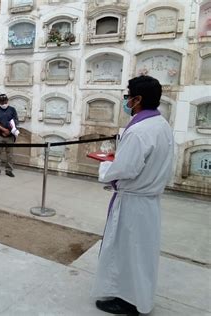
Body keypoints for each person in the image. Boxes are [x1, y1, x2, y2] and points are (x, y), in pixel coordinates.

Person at [92, 76, 174, 315]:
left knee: (129, 252)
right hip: (147, 200)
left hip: (134, 201)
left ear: (138, 99)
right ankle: (134, 295)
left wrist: (105, 166)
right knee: (140, 252)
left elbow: (124, 169)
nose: (126, 101)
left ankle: (128, 301)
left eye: (128, 96)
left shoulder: (139, 131)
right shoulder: (161, 125)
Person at [0, 94, 19, 178]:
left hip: (10, 136)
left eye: (5, 101)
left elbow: (16, 121)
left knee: (10, 154)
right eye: (1, 102)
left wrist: (9, 131)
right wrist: (3, 130)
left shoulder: (12, 110)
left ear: (7, 101)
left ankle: (9, 170)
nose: (3, 103)